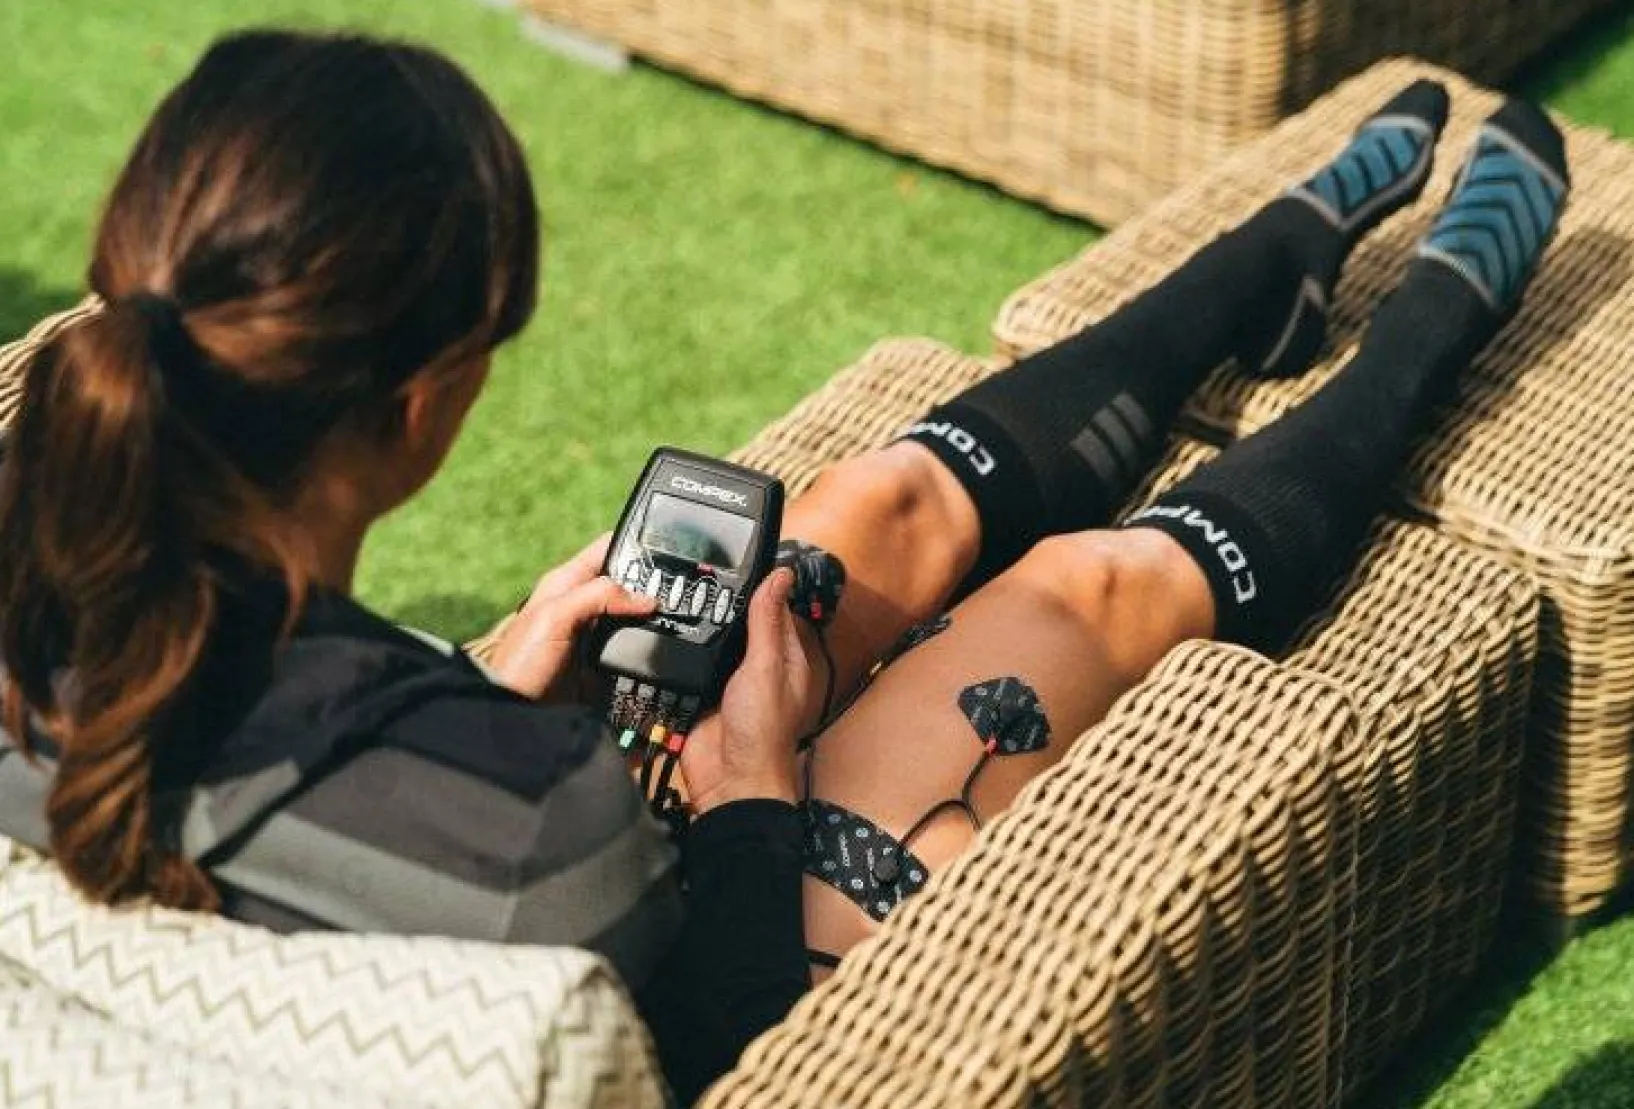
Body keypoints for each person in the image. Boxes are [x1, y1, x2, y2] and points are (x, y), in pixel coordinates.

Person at [0, 29, 1569, 1105]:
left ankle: (1261, 270)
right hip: (673, 1006)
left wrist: (479, 698)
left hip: (409, 924)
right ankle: (1425, 335)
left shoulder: (44, 627)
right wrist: (749, 787)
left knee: (865, 513)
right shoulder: (544, 829)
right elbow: (739, 1045)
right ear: (426, 404)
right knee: (1072, 597)